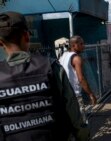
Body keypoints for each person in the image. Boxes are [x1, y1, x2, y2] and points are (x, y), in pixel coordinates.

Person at [0, 11, 89, 141]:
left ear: (1, 43)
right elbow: (72, 109)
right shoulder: (50, 66)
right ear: (26, 36)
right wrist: (83, 136)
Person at [59, 35, 97, 120]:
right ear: (73, 45)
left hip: (64, 94)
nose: (83, 46)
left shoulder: (64, 56)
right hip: (75, 96)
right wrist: (91, 94)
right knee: (81, 122)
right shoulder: (77, 58)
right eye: (81, 44)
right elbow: (81, 79)